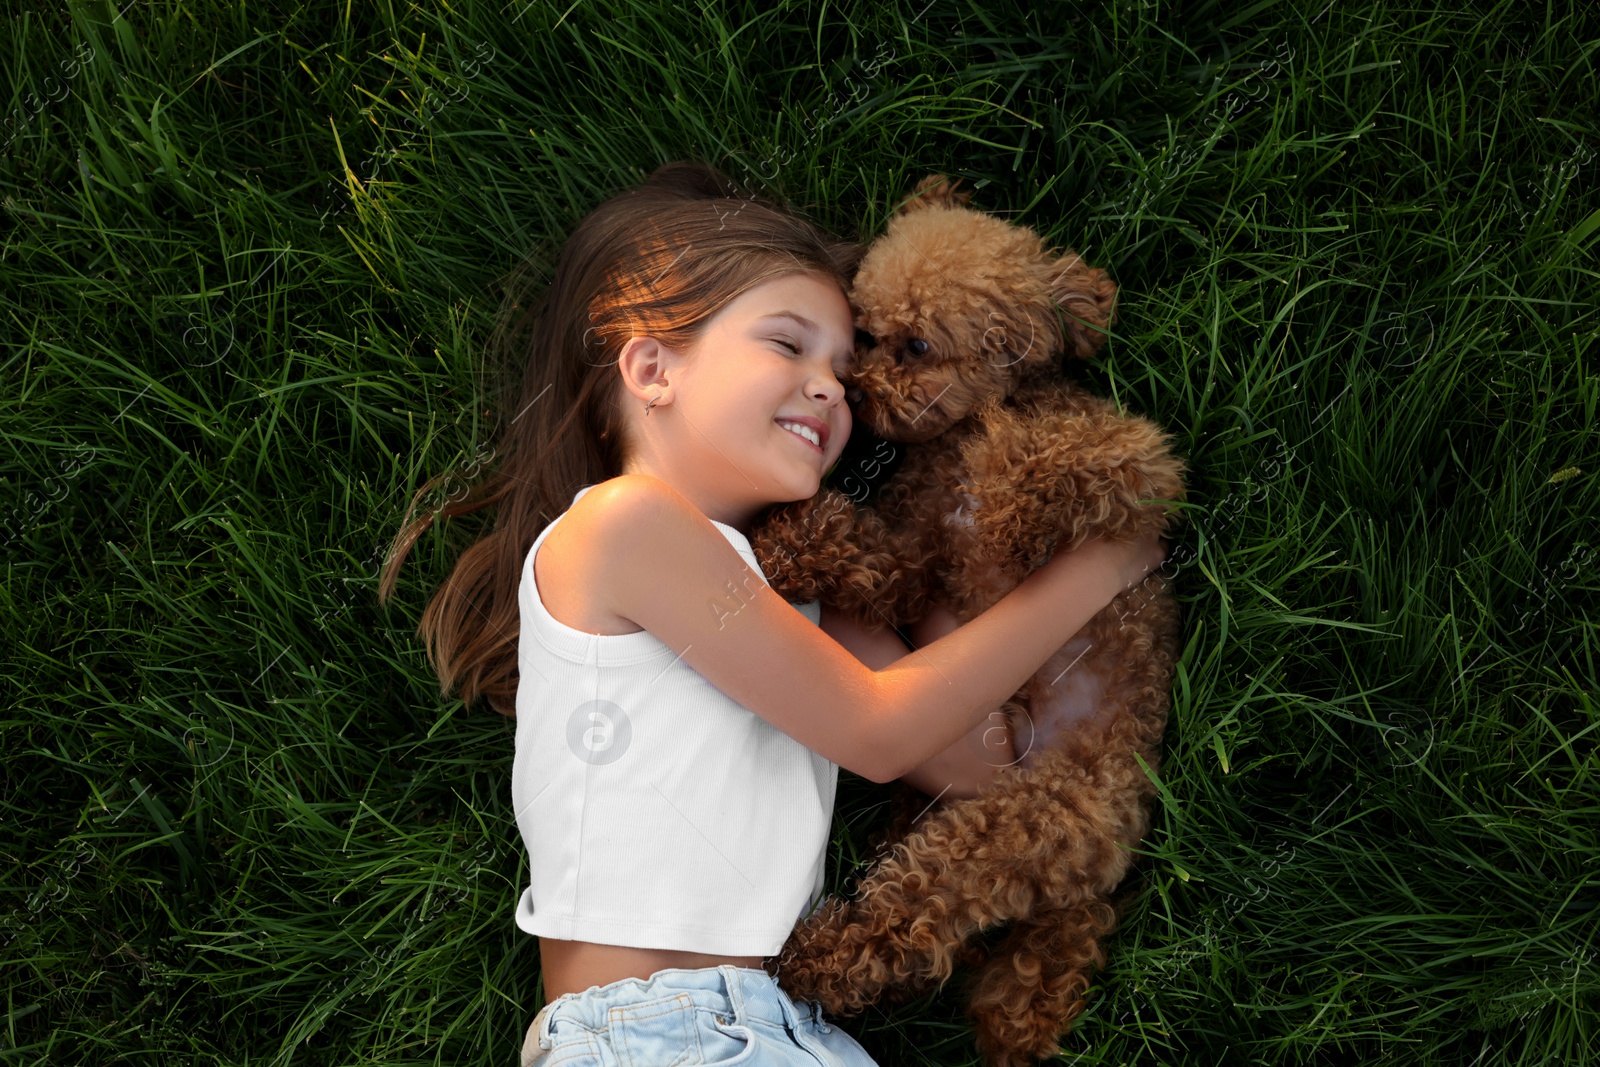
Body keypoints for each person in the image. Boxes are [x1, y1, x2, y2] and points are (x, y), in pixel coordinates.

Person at [377, 160, 1166, 1066]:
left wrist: (951, 590)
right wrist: (1097, 568)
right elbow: (880, 731)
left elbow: (978, 759)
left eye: (845, 360)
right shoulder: (623, 527)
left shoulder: (788, 587)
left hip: (778, 1028)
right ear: (651, 366)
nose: (836, 386)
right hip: (660, 1031)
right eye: (788, 347)